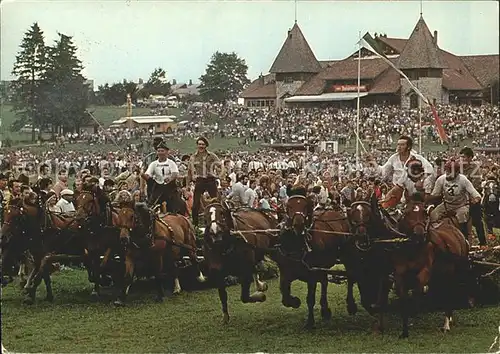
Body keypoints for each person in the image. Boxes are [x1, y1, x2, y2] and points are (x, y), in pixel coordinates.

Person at [428, 159, 482, 241]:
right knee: (433, 215)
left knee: (462, 217)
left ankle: (464, 239)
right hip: (446, 204)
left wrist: (475, 200)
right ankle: (434, 238)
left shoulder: (463, 180)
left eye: (450, 172)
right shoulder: (441, 179)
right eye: (446, 171)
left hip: (461, 206)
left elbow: (476, 194)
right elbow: (435, 194)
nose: (447, 174)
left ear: (457, 172)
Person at [141, 141, 186, 214]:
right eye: (158, 151)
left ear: (167, 152)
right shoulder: (153, 164)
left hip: (170, 188)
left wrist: (170, 178)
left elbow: (175, 173)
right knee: (150, 206)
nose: (160, 153)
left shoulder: (171, 163)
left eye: (162, 151)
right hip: (157, 188)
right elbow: (148, 175)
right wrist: (142, 174)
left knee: (179, 204)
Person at [187, 137, 220, 227]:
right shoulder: (193, 157)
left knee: (216, 202)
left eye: (203, 144)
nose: (201, 146)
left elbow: (220, 166)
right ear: (197, 145)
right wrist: (187, 186)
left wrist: (218, 174)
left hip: (210, 180)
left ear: (206, 146)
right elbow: (189, 172)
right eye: (199, 144)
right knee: (195, 205)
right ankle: (195, 225)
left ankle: (218, 222)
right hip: (200, 180)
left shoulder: (212, 155)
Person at [460, 147, 487, 246]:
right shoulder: (458, 168)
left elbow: (476, 185)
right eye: (461, 157)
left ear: (470, 158)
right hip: (460, 199)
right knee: (461, 221)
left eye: (464, 157)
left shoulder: (475, 168)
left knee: (477, 221)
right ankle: (463, 243)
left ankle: (483, 243)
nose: (462, 159)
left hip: (472, 197)